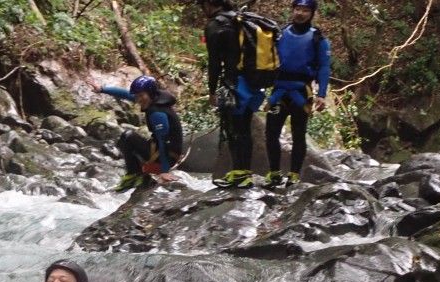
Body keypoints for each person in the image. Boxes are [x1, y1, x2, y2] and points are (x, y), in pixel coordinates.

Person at [197, 0, 265, 189]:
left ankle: (240, 174)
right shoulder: (241, 20)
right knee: (244, 129)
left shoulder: (215, 25)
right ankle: (243, 172)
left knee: (235, 130)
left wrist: (211, 91)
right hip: (253, 83)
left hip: (235, 85)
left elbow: (214, 63)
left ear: (210, 5)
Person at [264, 0, 331, 188]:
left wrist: (322, 94)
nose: (300, 13)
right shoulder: (279, 34)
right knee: (270, 133)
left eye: (305, 10)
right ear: (292, 10)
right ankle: (274, 173)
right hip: (278, 91)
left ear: (311, 13)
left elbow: (324, 68)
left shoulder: (318, 38)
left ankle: (293, 174)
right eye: (298, 9)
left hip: (301, 92)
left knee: (298, 135)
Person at [90, 75, 182, 192]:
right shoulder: (151, 98)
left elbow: (163, 141)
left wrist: (164, 171)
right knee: (124, 139)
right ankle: (135, 173)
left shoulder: (157, 113)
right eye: (137, 95)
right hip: (163, 148)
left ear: (149, 93)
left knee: (128, 136)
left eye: (140, 95)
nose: (137, 99)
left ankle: (134, 175)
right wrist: (102, 89)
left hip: (168, 155)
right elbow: (126, 94)